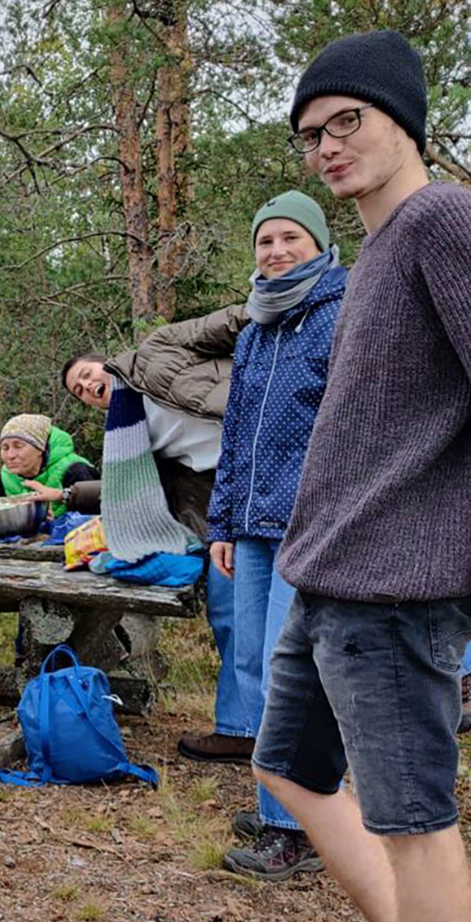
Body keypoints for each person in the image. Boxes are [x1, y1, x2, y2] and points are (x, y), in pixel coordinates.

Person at [258, 31, 471, 922]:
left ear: (404, 120)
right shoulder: (376, 250)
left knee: (414, 824)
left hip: (400, 590)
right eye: (311, 134)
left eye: (345, 121)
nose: (326, 148)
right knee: (292, 771)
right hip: (328, 581)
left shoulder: (445, 222)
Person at [198, 191, 346, 880]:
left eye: (291, 238)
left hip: (311, 526)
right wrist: (221, 524)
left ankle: (299, 830)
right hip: (250, 528)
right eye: (265, 241)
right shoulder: (257, 327)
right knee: (255, 668)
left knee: (297, 679)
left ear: (317, 244)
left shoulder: (340, 314)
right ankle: (277, 806)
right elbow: (234, 437)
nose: (277, 251)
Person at [61, 308, 246, 762]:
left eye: (86, 375)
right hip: (229, 504)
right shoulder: (128, 433)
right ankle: (241, 729)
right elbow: (133, 486)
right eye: (79, 391)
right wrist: (66, 495)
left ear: (107, 364)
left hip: (276, 453)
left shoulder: (156, 353)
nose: (87, 388)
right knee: (230, 613)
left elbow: (232, 321)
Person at [0, 413, 99, 517]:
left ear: (40, 448)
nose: (10, 455)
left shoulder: (75, 470)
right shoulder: (8, 475)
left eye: (18, 446)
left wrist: (54, 522)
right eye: (5, 448)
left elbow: (97, 520)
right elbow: (6, 518)